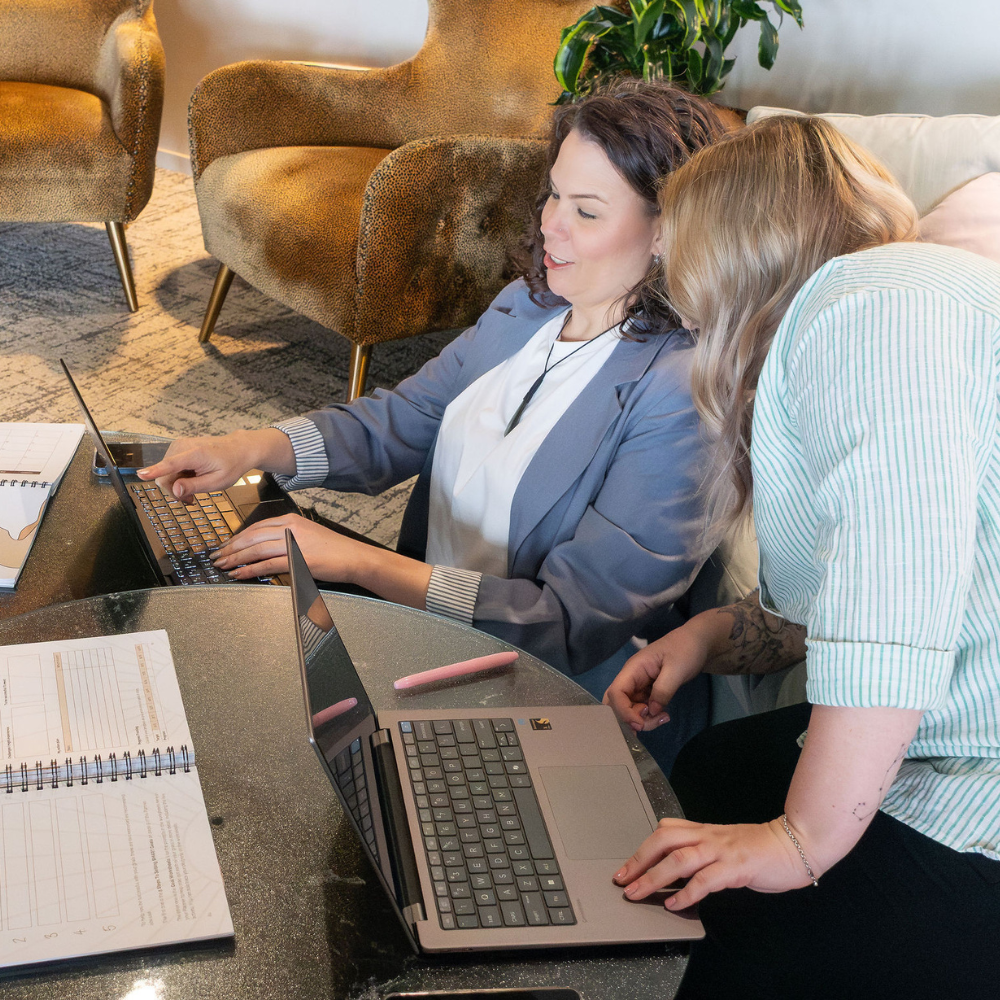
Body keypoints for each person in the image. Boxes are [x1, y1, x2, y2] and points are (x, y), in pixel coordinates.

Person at [140, 81, 727, 681]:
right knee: (185, 617)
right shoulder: (530, 306)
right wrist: (252, 449)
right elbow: (404, 420)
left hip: (531, 681)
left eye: (587, 210)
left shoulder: (682, 397)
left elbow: (566, 623)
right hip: (421, 618)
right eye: (554, 194)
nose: (552, 225)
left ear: (665, 231)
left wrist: (365, 566)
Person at [604, 114, 1000, 999]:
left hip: (984, 799)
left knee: (718, 929)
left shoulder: (870, 301)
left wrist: (800, 840)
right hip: (948, 736)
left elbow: (896, 577)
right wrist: (709, 637)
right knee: (712, 769)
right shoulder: (899, 314)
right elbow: (832, 604)